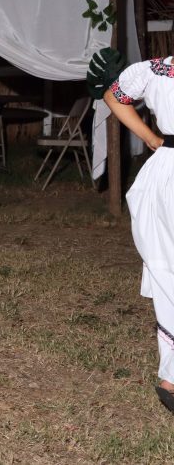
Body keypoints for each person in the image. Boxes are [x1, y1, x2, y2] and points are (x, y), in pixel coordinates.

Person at [104, 57, 174, 413]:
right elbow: (114, 97)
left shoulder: (157, 70)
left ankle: (171, 379)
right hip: (167, 170)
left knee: (166, 267)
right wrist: (152, 138)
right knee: (165, 265)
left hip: (166, 169)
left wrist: (152, 139)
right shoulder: (156, 71)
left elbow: (114, 97)